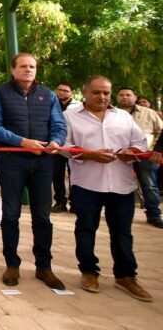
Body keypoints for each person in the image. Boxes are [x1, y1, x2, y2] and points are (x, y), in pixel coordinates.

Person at [61, 76, 152, 302]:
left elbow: (140, 143)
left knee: (122, 232)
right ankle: (89, 272)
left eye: (106, 93)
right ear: (85, 92)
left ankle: (126, 276)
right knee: (86, 229)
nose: (102, 97)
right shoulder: (69, 116)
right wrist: (90, 154)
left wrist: (131, 152)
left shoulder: (122, 117)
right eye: (96, 92)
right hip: (86, 183)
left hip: (121, 185)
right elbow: (63, 146)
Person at [0, 53, 68, 289]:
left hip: (42, 163)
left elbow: (59, 125)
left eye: (32, 66)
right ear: (13, 70)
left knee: (42, 216)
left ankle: (44, 267)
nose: (28, 70)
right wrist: (22, 142)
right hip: (11, 162)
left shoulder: (48, 95)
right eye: (23, 66)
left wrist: (55, 141)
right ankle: (12, 265)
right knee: (10, 215)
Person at [116, 86, 163, 228]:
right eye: (122, 95)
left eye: (128, 95)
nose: (125, 97)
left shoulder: (149, 113)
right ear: (117, 97)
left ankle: (154, 215)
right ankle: (119, 214)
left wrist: (155, 150)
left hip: (146, 156)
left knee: (149, 186)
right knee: (118, 185)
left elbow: (160, 131)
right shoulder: (112, 113)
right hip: (120, 156)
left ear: (135, 97)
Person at [52, 81, 79, 213]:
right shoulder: (51, 103)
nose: (61, 92)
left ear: (72, 92)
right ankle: (60, 202)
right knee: (57, 174)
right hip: (56, 143)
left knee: (74, 174)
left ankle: (75, 202)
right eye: (60, 89)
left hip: (73, 144)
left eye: (65, 90)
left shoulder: (78, 106)